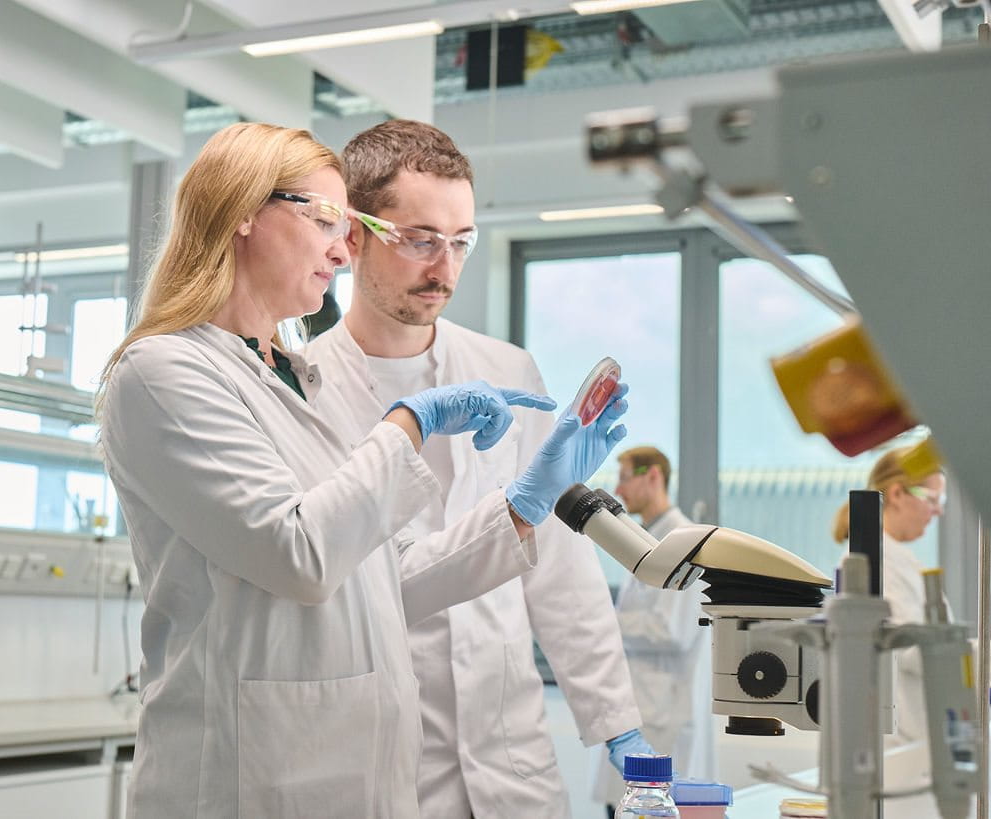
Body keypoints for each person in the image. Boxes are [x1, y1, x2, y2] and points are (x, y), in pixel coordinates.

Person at [96, 122, 629, 818]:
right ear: (243, 213)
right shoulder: (163, 371)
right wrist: (410, 423)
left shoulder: (291, 376)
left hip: (366, 775)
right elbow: (301, 552)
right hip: (248, 772)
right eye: (323, 219)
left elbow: (386, 576)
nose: (341, 249)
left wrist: (525, 506)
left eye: (342, 225)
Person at [305, 119, 650, 818]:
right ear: (353, 234)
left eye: (461, 242)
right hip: (380, 757)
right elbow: (336, 576)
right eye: (421, 240)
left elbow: (556, 566)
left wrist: (615, 715)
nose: (446, 269)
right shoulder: (303, 386)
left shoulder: (506, 370)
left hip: (510, 754)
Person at [592, 446, 716, 815]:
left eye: (626, 477)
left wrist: (603, 621)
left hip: (662, 716)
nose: (619, 488)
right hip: (641, 710)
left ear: (654, 476)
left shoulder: (684, 541)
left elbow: (672, 629)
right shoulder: (650, 537)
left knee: (646, 808)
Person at [831, 446, 947, 748]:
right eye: (932, 499)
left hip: (914, 734)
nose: (938, 511)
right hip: (894, 739)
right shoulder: (872, 562)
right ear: (896, 494)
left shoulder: (899, 560)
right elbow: (908, 645)